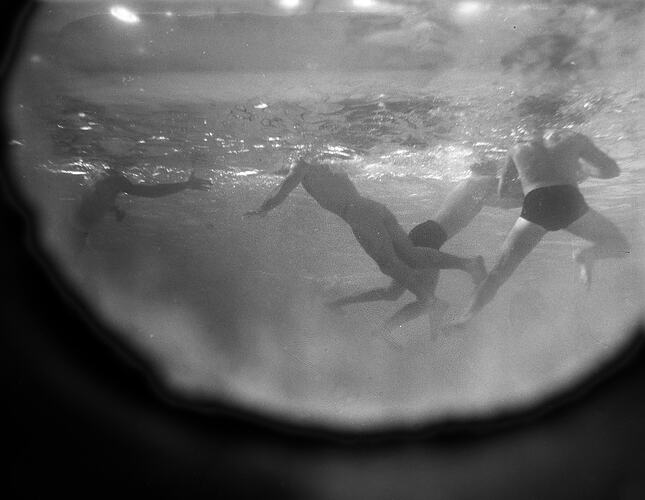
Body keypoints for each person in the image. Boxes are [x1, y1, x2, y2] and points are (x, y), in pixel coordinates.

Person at [448, 106, 630, 328]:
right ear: (560, 115)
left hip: (535, 205)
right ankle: (588, 255)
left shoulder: (516, 146)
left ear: (526, 120)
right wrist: (581, 170)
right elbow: (612, 170)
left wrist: (525, 187)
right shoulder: (574, 138)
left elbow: (502, 190)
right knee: (621, 245)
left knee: (498, 273)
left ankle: (466, 316)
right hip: (569, 201)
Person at [244, 155, 487, 311]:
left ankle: (429, 300)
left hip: (357, 215)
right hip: (371, 207)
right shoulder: (322, 159)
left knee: (389, 264)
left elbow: (282, 191)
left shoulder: (302, 164)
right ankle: (468, 264)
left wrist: (262, 209)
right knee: (409, 253)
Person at [326, 160, 524, 333]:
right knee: (423, 301)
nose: (500, 171)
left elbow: (500, 201)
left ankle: (341, 304)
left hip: (426, 234)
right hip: (429, 237)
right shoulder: (482, 182)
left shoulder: (470, 183)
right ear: (489, 167)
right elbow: (507, 200)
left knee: (395, 294)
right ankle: (389, 327)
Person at [68, 166, 211, 252]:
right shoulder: (112, 181)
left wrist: (114, 209)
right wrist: (185, 185)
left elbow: (96, 199)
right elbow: (150, 192)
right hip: (77, 230)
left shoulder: (99, 180)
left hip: (77, 229)